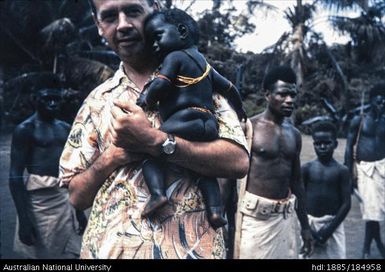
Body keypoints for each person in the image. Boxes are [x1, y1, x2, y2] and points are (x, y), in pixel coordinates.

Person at [59, 0, 249, 259]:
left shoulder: (197, 78)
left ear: (155, 11)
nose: (123, 24)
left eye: (133, 11)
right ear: (98, 25)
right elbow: (77, 197)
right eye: (110, 16)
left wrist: (155, 142)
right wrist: (113, 156)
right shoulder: (96, 101)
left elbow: (238, 162)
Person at [136, 8, 247, 229]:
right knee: (202, 168)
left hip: (184, 119)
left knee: (150, 150)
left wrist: (145, 98)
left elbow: (162, 83)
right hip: (208, 124)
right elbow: (230, 89)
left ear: (182, 31)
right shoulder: (206, 65)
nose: (154, 46)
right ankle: (215, 212)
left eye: (157, 37)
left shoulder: (175, 56)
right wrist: (241, 111)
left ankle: (157, 194)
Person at [236, 65, 313, 259]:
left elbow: (297, 182)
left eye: (293, 95)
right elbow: (228, 179)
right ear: (267, 94)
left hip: (284, 219)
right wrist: (226, 225)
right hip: (253, 221)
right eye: (283, 94)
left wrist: (305, 227)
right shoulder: (249, 128)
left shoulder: (294, 135)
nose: (290, 100)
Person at [9, 88, 86, 259]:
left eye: (56, 99)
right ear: (35, 99)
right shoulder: (25, 129)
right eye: (47, 99)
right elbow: (15, 176)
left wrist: (79, 211)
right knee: (39, 254)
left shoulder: (65, 128)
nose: (52, 103)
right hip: (39, 202)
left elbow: (73, 170)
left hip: (65, 199)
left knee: (72, 252)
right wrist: (24, 220)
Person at [344, 83, 385, 259]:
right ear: (371, 101)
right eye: (378, 101)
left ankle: (378, 244)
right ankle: (367, 250)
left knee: (376, 211)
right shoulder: (359, 120)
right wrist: (348, 176)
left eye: (384, 102)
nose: (382, 104)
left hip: (382, 170)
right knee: (371, 210)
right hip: (365, 171)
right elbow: (348, 149)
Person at [301, 121, 351, 259]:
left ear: (335, 144)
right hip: (309, 224)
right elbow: (299, 200)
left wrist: (328, 230)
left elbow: (346, 203)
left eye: (327, 143)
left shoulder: (342, 171)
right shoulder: (307, 169)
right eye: (318, 143)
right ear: (314, 144)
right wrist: (307, 228)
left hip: (333, 225)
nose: (322, 147)